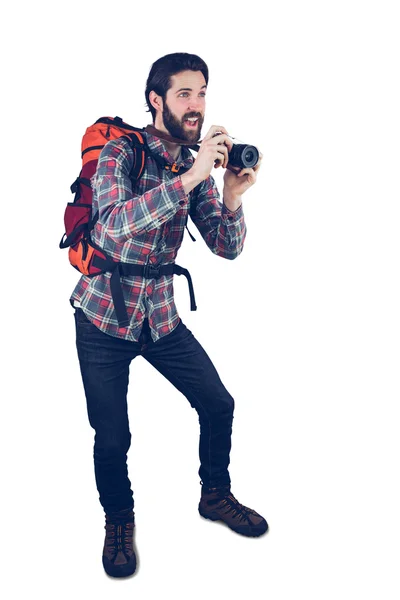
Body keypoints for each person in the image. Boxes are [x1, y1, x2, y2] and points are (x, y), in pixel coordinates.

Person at [70, 52, 267, 579]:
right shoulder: (120, 153)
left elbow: (226, 248)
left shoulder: (192, 164)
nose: (197, 105)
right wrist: (189, 178)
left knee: (218, 403)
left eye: (202, 93)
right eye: (185, 94)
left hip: (159, 317)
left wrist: (228, 193)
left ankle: (215, 495)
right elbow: (110, 227)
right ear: (156, 100)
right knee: (112, 436)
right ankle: (119, 522)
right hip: (103, 318)